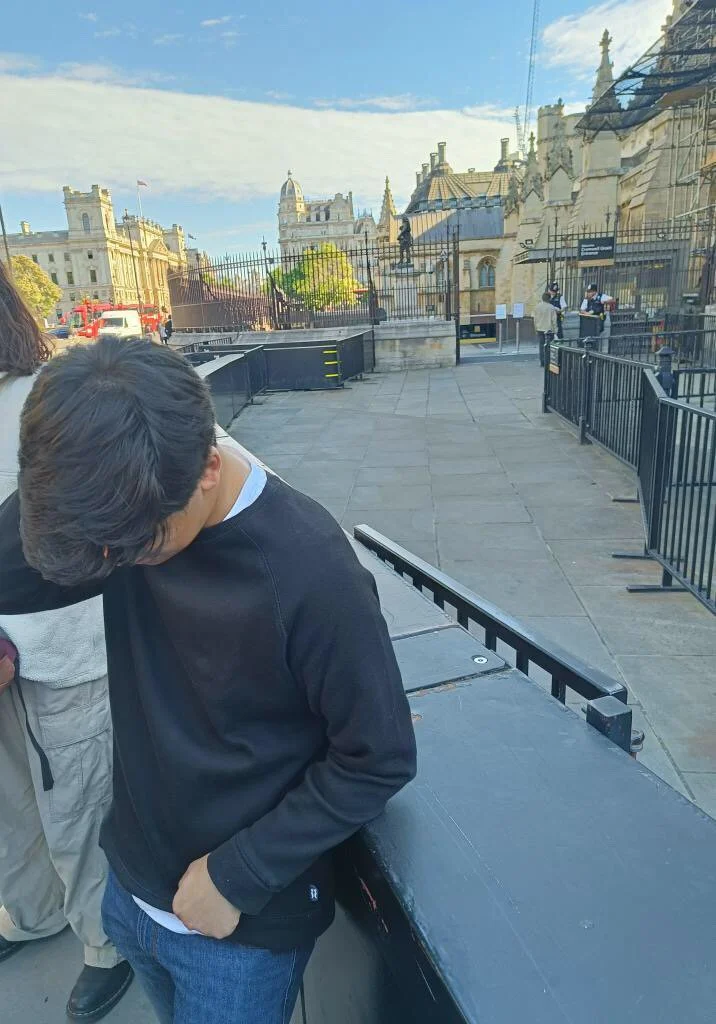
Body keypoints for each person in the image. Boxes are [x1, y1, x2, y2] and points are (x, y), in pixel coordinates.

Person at [0, 336, 417, 1024]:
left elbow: (380, 757)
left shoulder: (311, 572)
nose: (123, 563)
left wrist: (237, 874)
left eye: (145, 545)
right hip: (128, 886)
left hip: (237, 930)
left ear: (207, 469)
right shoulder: (114, 499)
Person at [0, 265, 132, 1020]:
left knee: (74, 799)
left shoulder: (40, 398)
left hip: (56, 640)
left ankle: (103, 942)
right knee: (12, 802)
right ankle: (34, 907)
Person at [534, 292, 558, 367]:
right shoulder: (551, 307)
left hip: (540, 328)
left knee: (541, 346)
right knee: (549, 346)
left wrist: (535, 328)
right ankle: (548, 362)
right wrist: (555, 330)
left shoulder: (537, 307)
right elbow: (554, 320)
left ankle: (542, 361)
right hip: (549, 330)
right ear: (549, 299)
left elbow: (535, 319)